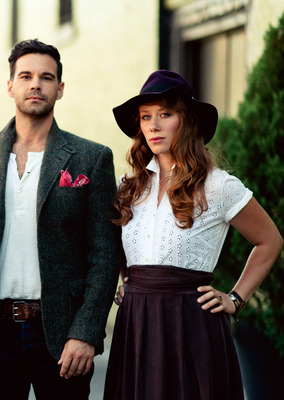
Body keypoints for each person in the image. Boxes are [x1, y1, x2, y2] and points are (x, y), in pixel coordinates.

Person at [0, 39, 120, 400]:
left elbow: (104, 255)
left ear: (59, 89)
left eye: (46, 77)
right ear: (10, 86)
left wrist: (86, 332)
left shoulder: (90, 158)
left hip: (61, 333)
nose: (36, 84)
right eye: (26, 76)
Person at [104, 70, 283, 400]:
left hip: (191, 325)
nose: (153, 126)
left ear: (185, 121)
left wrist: (235, 299)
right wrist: (129, 280)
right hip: (136, 323)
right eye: (146, 117)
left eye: (165, 114)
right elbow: (119, 245)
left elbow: (270, 240)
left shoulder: (217, 185)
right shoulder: (128, 186)